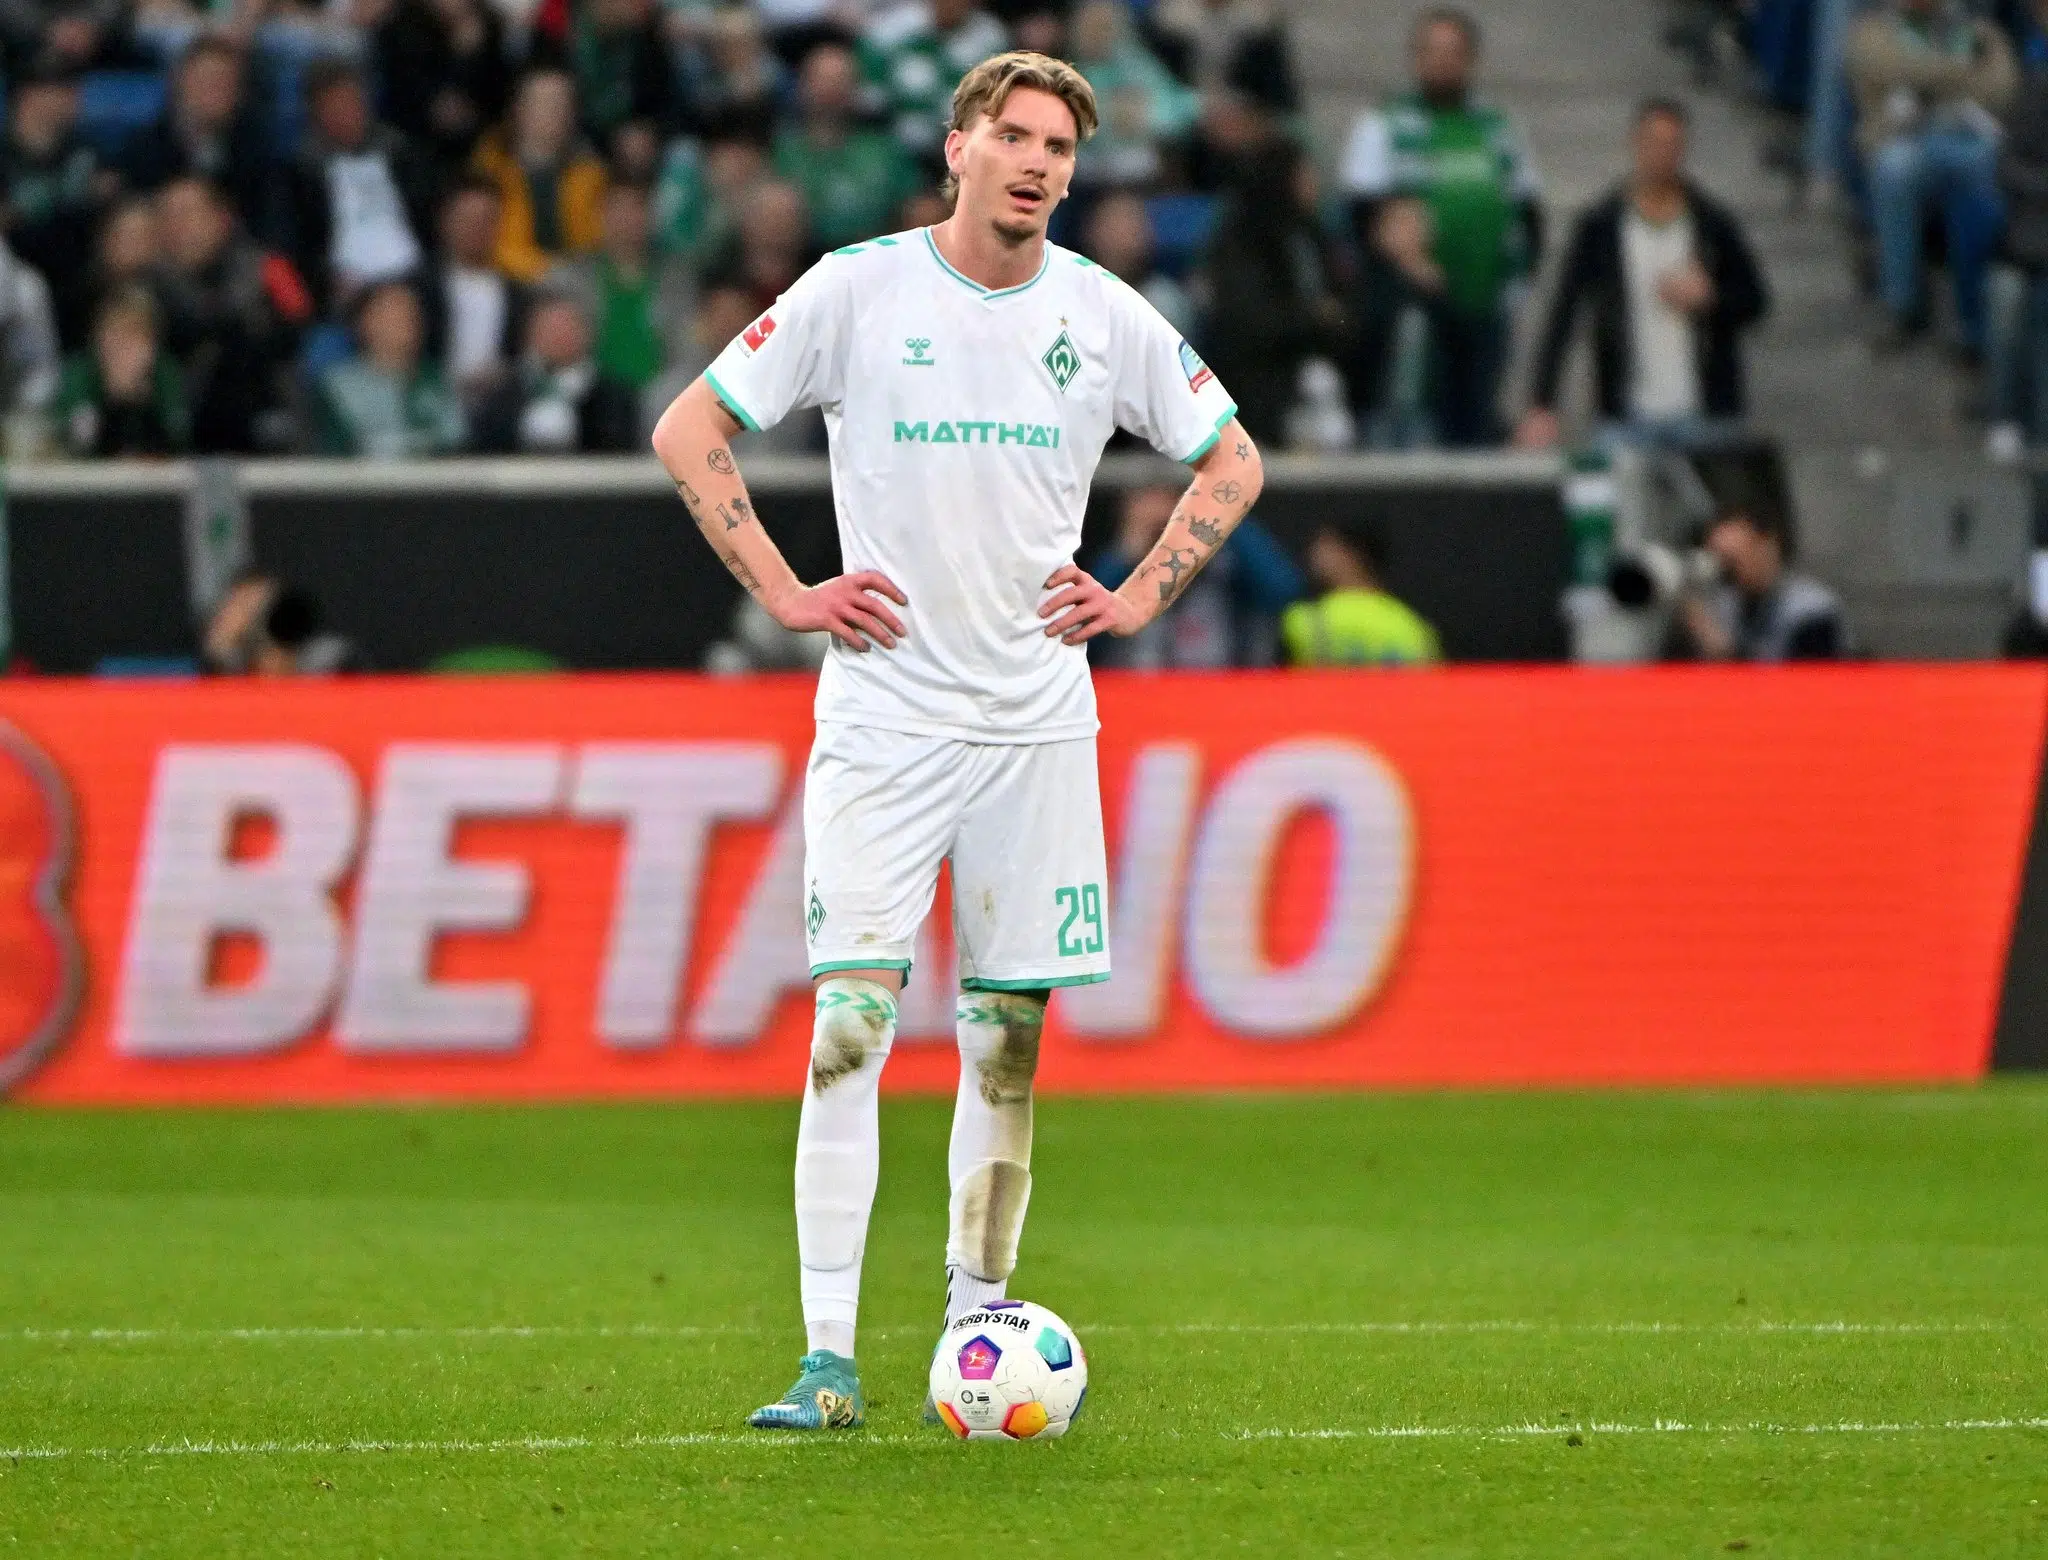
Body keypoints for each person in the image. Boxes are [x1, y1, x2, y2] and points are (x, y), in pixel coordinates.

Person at [650, 49, 1262, 1432]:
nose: (1043, 164)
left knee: (1007, 1044)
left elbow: (1235, 459)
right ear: (959, 148)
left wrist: (1140, 594)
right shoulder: (858, 288)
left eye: (1062, 147)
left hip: (1037, 720)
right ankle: (824, 1362)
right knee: (850, 1025)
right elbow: (688, 429)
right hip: (886, 716)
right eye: (1020, 137)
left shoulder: (1104, 317)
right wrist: (788, 592)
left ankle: (975, 1319)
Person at [1339, 8, 1542, 446]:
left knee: (1476, 422)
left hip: (1486, 304)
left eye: (1454, 52)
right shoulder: (1383, 125)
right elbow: (1361, 214)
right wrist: (1404, 261)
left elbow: (1527, 210)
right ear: (1415, 59)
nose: (1443, 62)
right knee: (1416, 422)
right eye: (1432, 52)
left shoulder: (1497, 129)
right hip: (1410, 311)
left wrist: (1518, 280)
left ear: (1471, 59)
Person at [1518, 99, 1770, 451]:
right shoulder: (1600, 227)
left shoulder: (1713, 224)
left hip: (1707, 414)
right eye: (1654, 142)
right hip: (1625, 415)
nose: (1662, 154)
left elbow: (1755, 300)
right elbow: (1564, 312)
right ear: (1635, 143)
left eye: (1672, 145)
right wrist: (1542, 402)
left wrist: (1711, 298)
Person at [1849, 0, 2017, 355]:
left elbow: (2002, 87)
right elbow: (1886, 65)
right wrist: (1961, 69)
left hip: (1969, 139)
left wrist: (1929, 75)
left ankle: (1976, 323)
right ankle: (1903, 304)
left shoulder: (1978, 31)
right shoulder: (1875, 30)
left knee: (1981, 173)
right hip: (1904, 138)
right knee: (1894, 171)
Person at [1196, 137, 1342, 446]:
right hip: (1257, 376)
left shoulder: (1314, 236)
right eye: (1305, 174)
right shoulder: (1243, 239)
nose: (1314, 183)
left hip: (1314, 366)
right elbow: (1250, 320)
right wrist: (1314, 319)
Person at [153, 174, 311, 453]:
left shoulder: (269, 270)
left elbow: (296, 328)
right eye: (167, 216)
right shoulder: (147, 287)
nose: (177, 226)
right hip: (184, 426)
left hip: (268, 420)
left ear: (221, 219)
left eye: (188, 213)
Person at [271, 58, 440, 319]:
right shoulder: (300, 172)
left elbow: (428, 216)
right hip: (344, 286)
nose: (345, 114)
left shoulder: (400, 154)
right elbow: (294, 244)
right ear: (316, 113)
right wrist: (325, 280)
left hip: (415, 276)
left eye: (351, 103)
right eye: (333, 106)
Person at [1086, 482, 1304, 667]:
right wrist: (1126, 554)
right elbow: (1085, 630)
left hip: (1211, 696)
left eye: (1172, 500)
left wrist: (1219, 519)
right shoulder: (1117, 564)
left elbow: (1284, 591)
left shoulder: (1224, 565)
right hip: (1134, 697)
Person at [547, 177, 694, 408]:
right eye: (618, 210)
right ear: (602, 215)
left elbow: (688, 342)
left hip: (661, 395)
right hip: (593, 399)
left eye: (636, 209)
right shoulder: (572, 278)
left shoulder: (676, 279)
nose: (627, 220)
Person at [0, 59, 110, 352]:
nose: (74, 95)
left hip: (80, 279)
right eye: (60, 87)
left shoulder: (86, 151)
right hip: (12, 280)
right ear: (28, 95)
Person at [772, 42, 918, 252]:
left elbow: (912, 210)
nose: (832, 90)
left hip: (876, 260)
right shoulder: (783, 152)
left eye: (841, 81)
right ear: (803, 86)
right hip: (802, 266)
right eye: (823, 80)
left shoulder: (884, 150)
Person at [471, 66, 609, 283]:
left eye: (564, 103)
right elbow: (487, 244)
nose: (557, 111)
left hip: (578, 287)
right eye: (546, 102)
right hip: (509, 284)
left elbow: (599, 242)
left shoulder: (591, 172)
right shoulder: (488, 171)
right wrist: (548, 271)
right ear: (519, 109)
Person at [117, 36, 269, 226]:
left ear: (238, 94)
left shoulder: (256, 153)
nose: (212, 92)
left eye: (223, 83)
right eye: (203, 80)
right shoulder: (143, 148)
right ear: (180, 83)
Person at [1670, 500, 1845, 660]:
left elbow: (1808, 686)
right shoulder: (1724, 606)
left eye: (1733, 560)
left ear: (1767, 546)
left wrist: (1727, 652)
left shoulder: (1810, 612)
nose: (1727, 573)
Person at [471, 289, 639, 452]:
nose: (558, 337)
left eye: (567, 327)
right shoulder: (503, 395)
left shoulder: (613, 400)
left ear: (587, 333)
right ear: (530, 334)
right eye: (549, 327)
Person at [312, 277, 465, 456]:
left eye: (411, 313)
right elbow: (338, 450)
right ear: (365, 322)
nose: (407, 322)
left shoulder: (434, 377)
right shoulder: (336, 385)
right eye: (394, 314)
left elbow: (454, 440)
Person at [1346, 194, 1452, 450]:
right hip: (1377, 405)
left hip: (1423, 407)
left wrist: (1434, 291)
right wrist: (1403, 275)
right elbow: (1368, 328)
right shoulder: (1371, 279)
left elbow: (1452, 342)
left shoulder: (1434, 285)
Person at [416, 175, 529, 412]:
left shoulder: (519, 295)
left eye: (487, 220)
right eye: (467, 219)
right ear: (445, 222)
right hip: (430, 405)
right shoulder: (419, 289)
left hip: (499, 412)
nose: (477, 229)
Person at [372, 0, 513, 174]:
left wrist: (472, 55)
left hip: (480, 137)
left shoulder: (488, 26)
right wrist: (462, 56)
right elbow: (430, 104)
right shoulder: (401, 29)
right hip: (416, 139)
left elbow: (497, 94)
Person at [860, 0, 1009, 161]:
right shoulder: (890, 32)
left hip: (963, 145)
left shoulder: (991, 38)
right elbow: (870, 98)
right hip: (896, 142)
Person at [1280, 518, 1441, 666]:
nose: (1314, 554)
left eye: (1327, 546)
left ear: (1352, 554)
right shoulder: (1413, 627)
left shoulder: (1304, 620)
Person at [56, 285, 189, 457]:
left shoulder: (165, 373)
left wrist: (142, 403)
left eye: (134, 334)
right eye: (115, 333)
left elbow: (179, 440)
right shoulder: (79, 373)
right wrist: (113, 401)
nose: (124, 347)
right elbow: (75, 441)